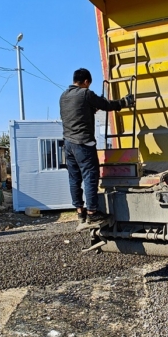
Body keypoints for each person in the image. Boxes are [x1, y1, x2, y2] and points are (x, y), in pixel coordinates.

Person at [60, 68, 134, 231]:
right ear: (86, 82)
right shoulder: (86, 94)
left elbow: (78, 113)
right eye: (88, 84)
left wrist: (92, 108)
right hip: (83, 144)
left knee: (74, 179)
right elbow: (106, 105)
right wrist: (124, 102)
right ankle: (93, 214)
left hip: (68, 144)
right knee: (90, 176)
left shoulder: (64, 96)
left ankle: (81, 214)